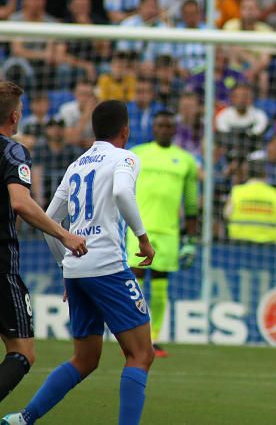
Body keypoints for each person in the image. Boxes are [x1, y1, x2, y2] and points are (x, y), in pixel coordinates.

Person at [7, 100, 153, 425]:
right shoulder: (125, 157)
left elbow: (48, 221)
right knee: (141, 354)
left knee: (84, 359)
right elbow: (123, 194)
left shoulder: (77, 165)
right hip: (108, 266)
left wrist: (65, 266)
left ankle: (24, 418)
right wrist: (142, 238)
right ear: (125, 130)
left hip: (76, 268)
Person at [0, 83, 86, 405]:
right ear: (15, 115)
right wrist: (64, 234)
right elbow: (21, 204)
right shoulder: (12, 151)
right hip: (1, 263)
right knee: (22, 352)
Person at [125, 112, 198, 359]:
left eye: (168, 125)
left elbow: (190, 203)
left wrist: (191, 238)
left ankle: (152, 338)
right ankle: (132, 334)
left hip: (168, 232)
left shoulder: (185, 160)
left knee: (159, 285)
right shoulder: (138, 154)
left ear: (174, 129)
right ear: (153, 128)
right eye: (160, 125)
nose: (164, 129)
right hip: (138, 229)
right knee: (135, 282)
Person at [224, 160, 276, 243]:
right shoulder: (275, 194)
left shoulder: (237, 192)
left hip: (239, 246)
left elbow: (226, 214)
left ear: (247, 174)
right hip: (269, 246)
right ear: (265, 174)